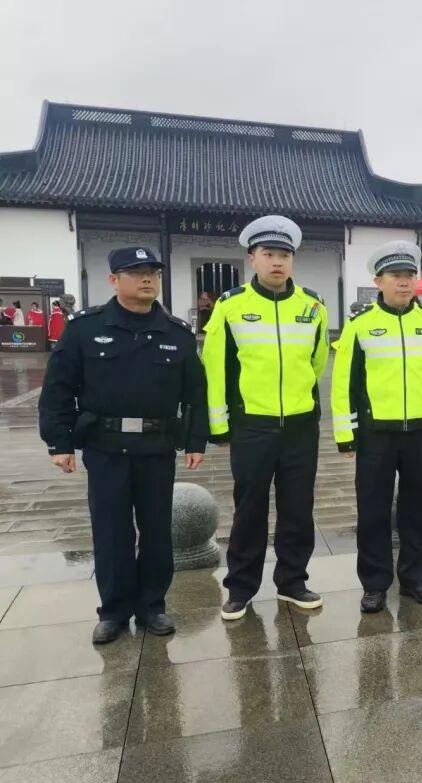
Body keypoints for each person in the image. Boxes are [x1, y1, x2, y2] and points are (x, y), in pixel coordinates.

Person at [38, 247, 208, 644]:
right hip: (105, 447)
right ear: (114, 280)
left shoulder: (176, 333)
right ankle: (113, 610)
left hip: (156, 447)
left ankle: (152, 607)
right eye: (135, 272)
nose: (147, 279)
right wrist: (59, 442)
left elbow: (196, 395)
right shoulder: (84, 329)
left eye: (152, 273)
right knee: (111, 530)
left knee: (157, 530)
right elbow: (58, 387)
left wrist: (195, 440)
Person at [202, 215, 329, 621]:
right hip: (252, 425)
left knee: (298, 508)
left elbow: (317, 362)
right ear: (251, 258)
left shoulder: (312, 306)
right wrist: (220, 425)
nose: (277, 262)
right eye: (269, 254)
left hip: (300, 425)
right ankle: (240, 588)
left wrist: (303, 403)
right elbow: (216, 367)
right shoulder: (231, 305)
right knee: (250, 508)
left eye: (284, 255)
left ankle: (292, 582)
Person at [331, 240, 422, 613]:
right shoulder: (360, 326)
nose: (404, 282)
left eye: (409, 275)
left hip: (419, 433)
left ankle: (415, 579)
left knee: (417, 510)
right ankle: (374, 584)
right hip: (376, 435)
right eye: (395, 276)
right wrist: (346, 434)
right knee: (373, 511)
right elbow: (345, 383)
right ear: (378, 281)